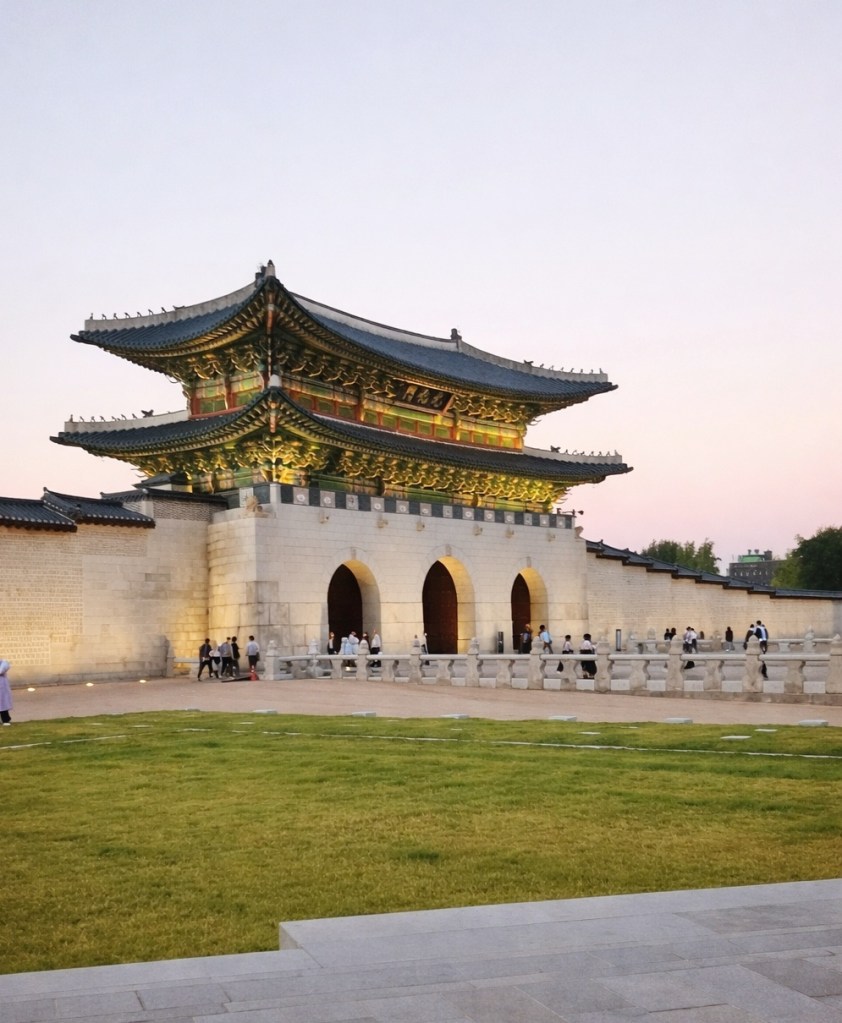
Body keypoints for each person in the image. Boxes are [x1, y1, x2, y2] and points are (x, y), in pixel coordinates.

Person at [0, 660, 12, 725]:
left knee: (2, 706)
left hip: (1, 689)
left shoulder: (3, 663)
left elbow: (1, 670)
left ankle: (5, 720)